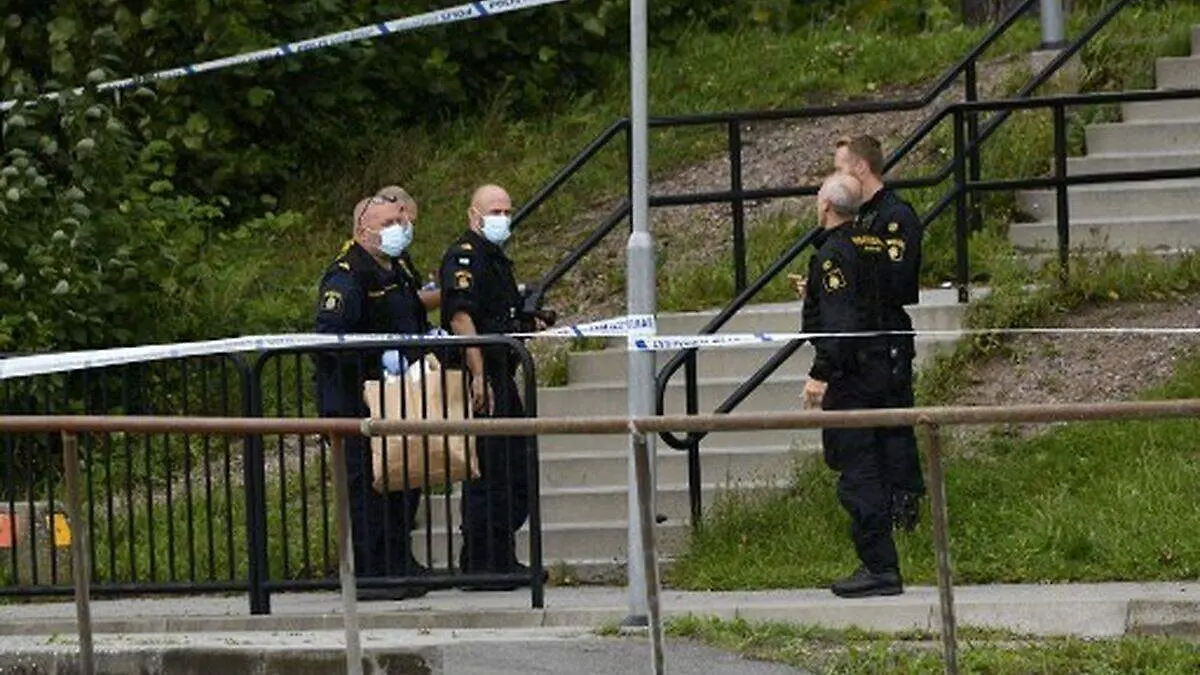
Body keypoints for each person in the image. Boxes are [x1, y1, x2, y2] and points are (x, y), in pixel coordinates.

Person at [314, 188, 438, 601]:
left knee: (403, 479)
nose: (397, 230)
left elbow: (410, 317)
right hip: (356, 400)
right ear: (362, 231)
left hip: (401, 395)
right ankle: (369, 572)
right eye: (387, 224)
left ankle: (397, 562)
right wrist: (377, 357)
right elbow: (329, 340)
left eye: (399, 222)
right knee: (367, 486)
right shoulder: (346, 275)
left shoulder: (398, 269)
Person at [802, 172, 904, 598]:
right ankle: (882, 564)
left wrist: (820, 374)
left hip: (854, 376)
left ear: (826, 206)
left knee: (857, 471)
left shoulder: (834, 254)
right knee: (876, 466)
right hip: (886, 366)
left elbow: (842, 325)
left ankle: (879, 567)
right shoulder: (874, 243)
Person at [439, 184, 535, 591]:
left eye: (507, 210)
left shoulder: (495, 259)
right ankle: (481, 563)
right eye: (495, 210)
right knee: (488, 472)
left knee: (513, 469)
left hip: (503, 372)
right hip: (483, 378)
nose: (503, 217)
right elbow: (462, 319)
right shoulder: (464, 257)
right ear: (473, 215)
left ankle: (503, 555)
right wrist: (478, 372)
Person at [834, 135, 926, 532]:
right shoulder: (858, 219)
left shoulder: (895, 216)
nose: (835, 178)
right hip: (860, 339)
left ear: (859, 168)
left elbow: (898, 279)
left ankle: (905, 508)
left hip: (886, 338)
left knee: (894, 427)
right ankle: (874, 510)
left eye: (840, 168)